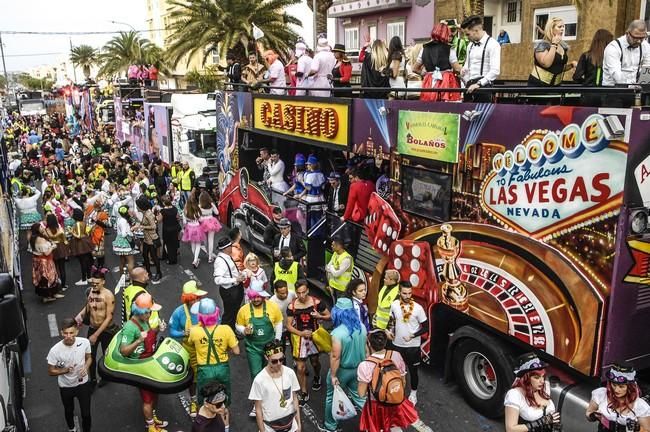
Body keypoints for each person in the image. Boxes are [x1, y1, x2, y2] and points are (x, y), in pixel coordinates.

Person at [357, 329, 429, 432]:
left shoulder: (364, 365)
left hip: (376, 405)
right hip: (395, 399)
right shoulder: (396, 355)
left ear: (369, 344)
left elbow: (361, 393)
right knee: (393, 424)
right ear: (385, 342)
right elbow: (403, 381)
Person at [119, 293, 168, 432]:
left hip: (150, 360)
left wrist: (158, 329)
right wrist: (138, 341)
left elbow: (149, 335)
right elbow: (124, 350)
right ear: (141, 312)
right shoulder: (130, 327)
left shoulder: (144, 320)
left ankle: (153, 418)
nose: (151, 314)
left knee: (155, 393)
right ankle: (151, 426)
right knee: (147, 398)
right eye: (149, 312)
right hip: (141, 365)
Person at [236, 289, 284, 416]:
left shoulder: (273, 307)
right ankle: (257, 404)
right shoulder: (244, 310)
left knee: (272, 372)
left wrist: (277, 340)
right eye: (253, 297)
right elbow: (238, 325)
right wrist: (243, 330)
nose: (256, 300)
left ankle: (272, 399)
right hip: (253, 348)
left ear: (263, 296)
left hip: (269, 347)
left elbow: (279, 322)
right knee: (256, 375)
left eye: (258, 297)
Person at [323, 297, 367, 432]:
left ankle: (330, 426)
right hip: (358, 369)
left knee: (332, 397)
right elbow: (366, 349)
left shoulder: (337, 333)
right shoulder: (362, 327)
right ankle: (374, 421)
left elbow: (335, 357)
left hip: (342, 370)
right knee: (360, 397)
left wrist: (333, 375)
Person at [187, 298, 240, 407]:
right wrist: (225, 348)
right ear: (216, 314)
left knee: (204, 395)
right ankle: (224, 416)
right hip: (222, 368)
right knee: (224, 393)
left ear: (200, 315)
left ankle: (205, 416)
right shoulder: (226, 329)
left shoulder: (194, 331)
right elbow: (237, 351)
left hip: (204, 369)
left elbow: (191, 344)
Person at [286, 280, 330, 404]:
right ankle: (304, 392)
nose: (301, 296)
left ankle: (317, 376)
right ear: (296, 292)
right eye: (299, 293)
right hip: (300, 338)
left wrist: (319, 317)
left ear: (308, 291)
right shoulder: (292, 306)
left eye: (304, 292)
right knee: (300, 367)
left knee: (315, 362)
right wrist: (300, 333)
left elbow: (329, 316)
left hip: (314, 337)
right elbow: (288, 326)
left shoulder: (317, 303)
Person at [168, 280, 208, 416]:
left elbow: (217, 322)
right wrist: (183, 333)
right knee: (193, 378)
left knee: (209, 375)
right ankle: (193, 401)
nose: (198, 300)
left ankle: (208, 400)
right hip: (189, 350)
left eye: (199, 297)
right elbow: (172, 331)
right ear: (188, 299)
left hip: (206, 348)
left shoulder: (207, 307)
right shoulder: (179, 313)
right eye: (195, 298)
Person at [47, 317, 93, 432]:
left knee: (86, 413)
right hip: (66, 386)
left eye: (71, 333)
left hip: (83, 384)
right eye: (66, 333)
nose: (69, 336)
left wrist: (86, 367)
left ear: (77, 331)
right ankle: (72, 429)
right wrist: (65, 370)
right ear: (61, 332)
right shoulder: (55, 350)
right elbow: (51, 371)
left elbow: (89, 358)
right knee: (68, 410)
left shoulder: (85, 342)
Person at [248, 340, 302, 432]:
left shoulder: (290, 373)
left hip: (291, 425)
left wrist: (298, 425)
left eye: (281, 359)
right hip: (270, 427)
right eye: (274, 361)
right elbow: (258, 409)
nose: (279, 363)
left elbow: (294, 398)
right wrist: (262, 430)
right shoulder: (259, 380)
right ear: (266, 357)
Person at [75, 267, 116, 387]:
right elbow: (88, 306)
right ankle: (92, 379)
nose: (94, 285)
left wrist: (96, 335)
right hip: (92, 328)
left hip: (106, 330)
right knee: (90, 355)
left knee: (105, 355)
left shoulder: (109, 296)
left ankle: (105, 377)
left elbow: (109, 317)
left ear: (103, 282)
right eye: (93, 283)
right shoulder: (91, 291)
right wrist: (79, 316)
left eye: (97, 283)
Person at [389, 281, 428, 406]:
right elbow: (391, 321)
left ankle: (413, 394)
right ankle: (397, 390)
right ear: (399, 292)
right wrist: (388, 331)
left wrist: (413, 335)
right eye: (404, 293)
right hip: (397, 344)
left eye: (410, 293)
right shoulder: (394, 305)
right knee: (396, 370)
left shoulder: (418, 308)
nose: (407, 296)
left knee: (413, 371)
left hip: (412, 347)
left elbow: (426, 327)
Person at [504, 353, 561, 432]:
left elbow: (552, 419)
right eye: (536, 377)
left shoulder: (544, 387)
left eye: (543, 376)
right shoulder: (514, 395)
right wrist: (542, 422)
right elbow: (510, 429)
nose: (542, 381)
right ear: (526, 378)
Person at [586, 363, 650, 431]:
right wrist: (593, 416)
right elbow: (588, 413)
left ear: (630, 387)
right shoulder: (600, 394)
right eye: (614, 385)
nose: (616, 390)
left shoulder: (640, 406)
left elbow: (647, 430)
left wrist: (637, 429)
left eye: (621, 387)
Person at [603, 20, 650, 106]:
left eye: (642, 38)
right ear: (627, 33)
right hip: (613, 93)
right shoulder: (613, 48)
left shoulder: (645, 46)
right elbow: (617, 76)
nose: (639, 41)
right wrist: (634, 85)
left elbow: (647, 68)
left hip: (636, 93)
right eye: (636, 38)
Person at [414, 23, 462, 102]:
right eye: (449, 35)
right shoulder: (449, 48)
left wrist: (425, 74)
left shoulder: (424, 48)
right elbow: (457, 68)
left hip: (429, 81)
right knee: (447, 108)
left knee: (430, 108)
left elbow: (415, 68)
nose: (450, 37)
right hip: (446, 81)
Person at [460, 15, 501, 102]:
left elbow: (495, 70)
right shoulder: (470, 45)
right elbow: (467, 64)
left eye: (468, 34)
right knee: (467, 113)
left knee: (483, 114)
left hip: (484, 86)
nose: (466, 37)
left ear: (476, 30)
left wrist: (479, 83)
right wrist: (464, 70)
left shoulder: (493, 44)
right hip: (469, 85)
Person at [528, 17, 577, 87]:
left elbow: (557, 67)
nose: (563, 29)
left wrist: (571, 65)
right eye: (559, 27)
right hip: (539, 86)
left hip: (556, 87)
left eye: (563, 26)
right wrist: (554, 45)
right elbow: (546, 64)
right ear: (551, 29)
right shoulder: (543, 45)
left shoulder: (562, 46)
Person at [573, 29, 614, 106]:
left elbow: (576, 77)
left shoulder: (586, 56)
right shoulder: (612, 58)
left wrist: (586, 83)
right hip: (605, 95)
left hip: (588, 95)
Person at [213, 237, 247, 330]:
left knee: (235, 311)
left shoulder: (227, 257)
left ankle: (232, 331)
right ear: (225, 248)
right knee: (229, 314)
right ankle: (225, 334)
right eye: (230, 246)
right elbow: (217, 280)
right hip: (230, 291)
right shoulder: (220, 261)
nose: (232, 247)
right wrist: (235, 279)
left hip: (236, 288)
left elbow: (231, 271)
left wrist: (240, 275)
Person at [31, 223, 64, 303]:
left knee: (49, 277)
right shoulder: (40, 239)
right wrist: (53, 246)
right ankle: (47, 296)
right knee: (47, 278)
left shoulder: (34, 238)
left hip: (41, 261)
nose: (43, 228)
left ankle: (53, 294)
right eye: (41, 227)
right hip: (45, 262)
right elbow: (46, 253)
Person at [136, 197, 162, 283]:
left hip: (152, 239)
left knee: (154, 257)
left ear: (141, 206)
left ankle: (158, 273)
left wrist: (143, 227)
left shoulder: (148, 214)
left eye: (138, 206)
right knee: (145, 255)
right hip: (147, 239)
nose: (137, 208)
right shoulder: (145, 213)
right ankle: (148, 272)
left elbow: (154, 226)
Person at [44, 212, 69, 291]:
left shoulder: (46, 230)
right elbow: (64, 239)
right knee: (62, 267)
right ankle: (64, 285)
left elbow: (46, 239)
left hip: (52, 248)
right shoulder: (59, 228)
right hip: (60, 248)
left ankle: (56, 284)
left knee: (54, 267)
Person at [270, 280, 296, 355]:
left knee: (295, 346)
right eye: (282, 293)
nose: (285, 295)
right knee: (281, 350)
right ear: (275, 291)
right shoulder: (272, 302)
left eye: (286, 292)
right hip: (280, 329)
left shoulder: (291, 293)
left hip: (292, 325)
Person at [113, 205, 137, 275]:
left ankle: (122, 278)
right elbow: (124, 234)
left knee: (122, 261)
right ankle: (132, 278)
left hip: (120, 242)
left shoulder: (120, 219)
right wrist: (132, 229)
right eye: (129, 210)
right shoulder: (124, 221)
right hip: (125, 242)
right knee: (130, 261)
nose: (130, 211)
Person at [184, 194, 206, 269]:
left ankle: (195, 259)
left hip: (189, 228)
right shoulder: (197, 210)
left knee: (192, 244)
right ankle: (195, 260)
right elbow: (201, 220)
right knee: (198, 244)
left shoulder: (186, 210)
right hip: (197, 227)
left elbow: (184, 222)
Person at [199, 191, 222, 263]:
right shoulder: (211, 204)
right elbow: (217, 212)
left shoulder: (199, 206)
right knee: (211, 240)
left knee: (205, 240)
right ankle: (210, 257)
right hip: (211, 221)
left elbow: (198, 216)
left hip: (203, 222)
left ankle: (208, 253)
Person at [160, 195, 181, 264]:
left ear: (163, 203)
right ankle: (174, 257)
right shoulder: (175, 209)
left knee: (167, 243)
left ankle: (170, 258)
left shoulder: (162, 211)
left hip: (167, 229)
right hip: (175, 228)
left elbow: (159, 220)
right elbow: (178, 218)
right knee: (174, 243)